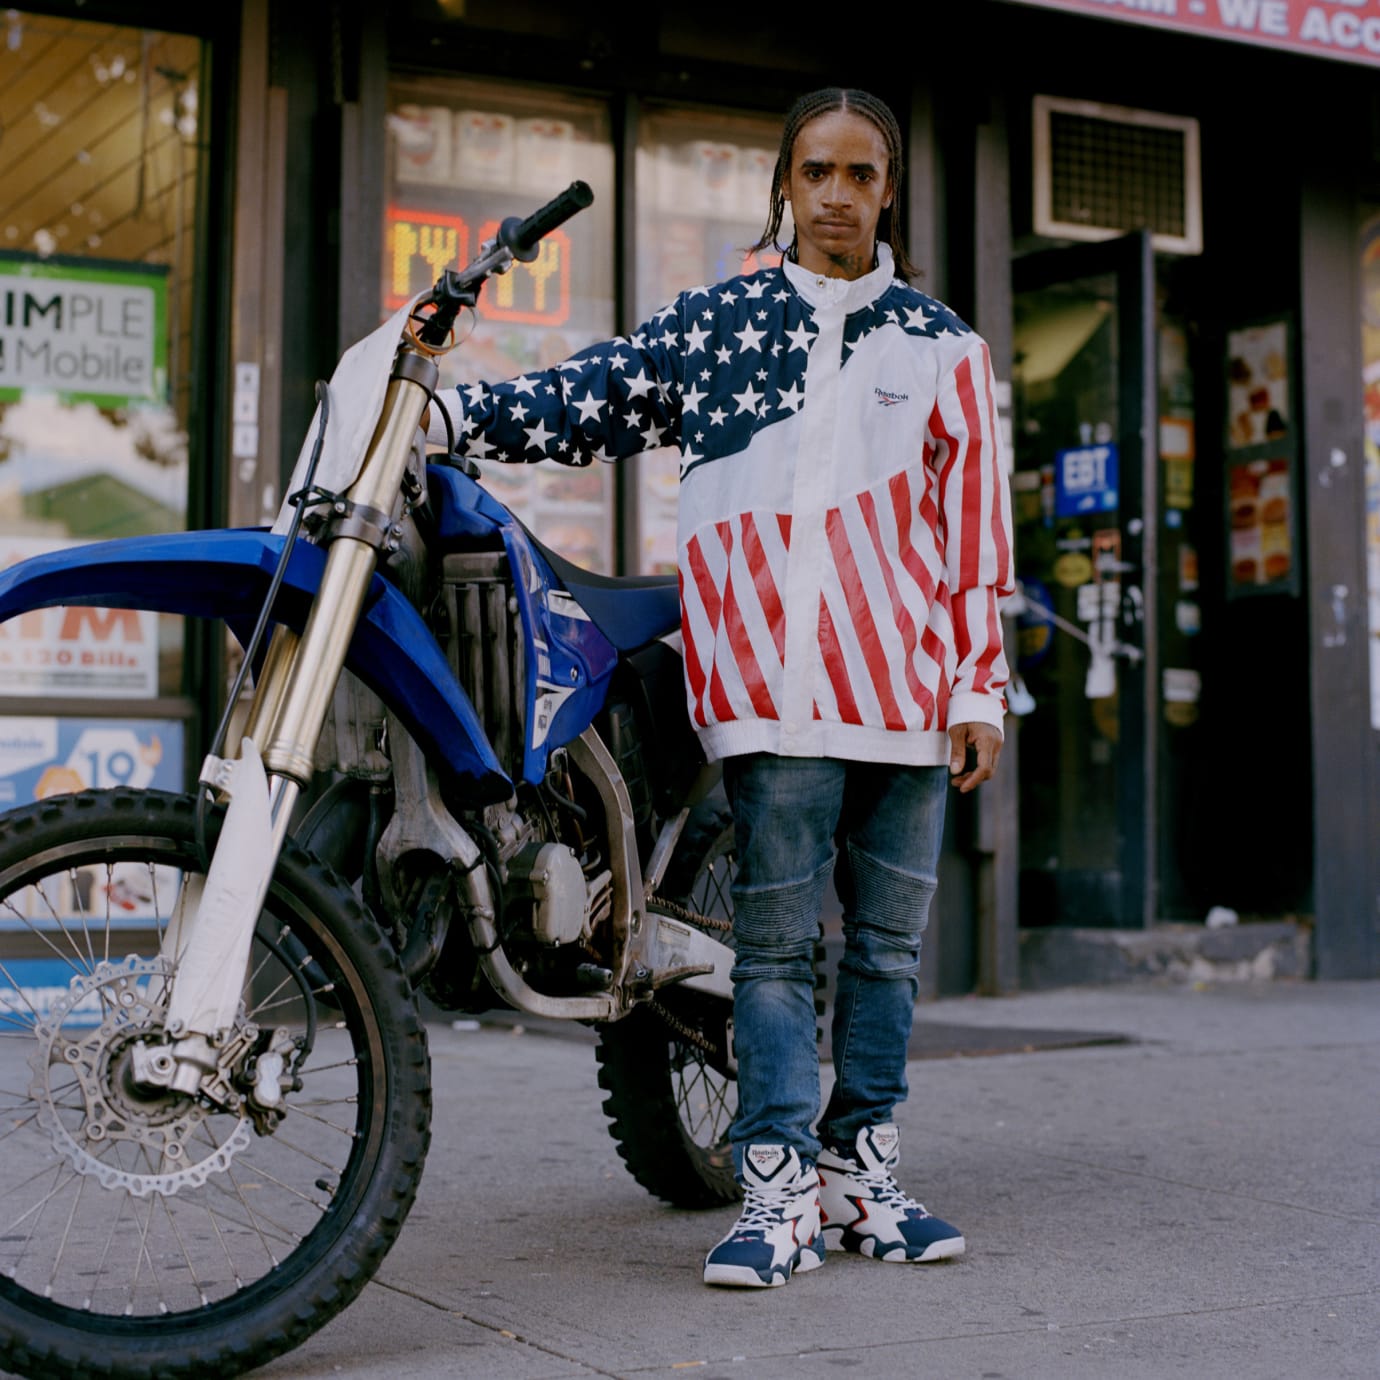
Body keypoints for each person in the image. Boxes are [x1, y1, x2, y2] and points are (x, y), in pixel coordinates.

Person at [425, 86, 1014, 1289]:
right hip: (767, 697)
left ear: (887, 190)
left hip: (907, 697)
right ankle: (776, 1191)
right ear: (785, 185)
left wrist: (978, 687)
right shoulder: (717, 325)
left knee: (888, 957)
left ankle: (864, 1177)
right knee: (778, 953)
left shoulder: (944, 346)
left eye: (861, 174)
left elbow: (974, 542)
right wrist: (446, 410)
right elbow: (582, 400)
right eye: (817, 172)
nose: (839, 195)